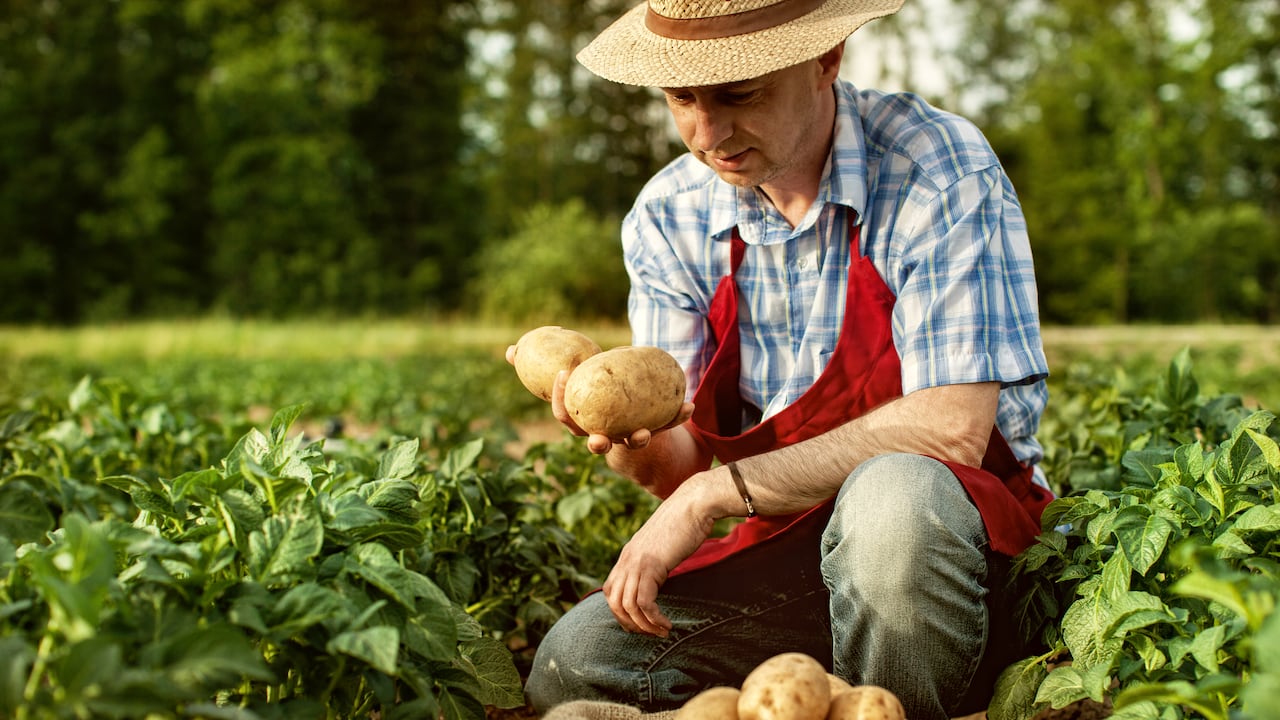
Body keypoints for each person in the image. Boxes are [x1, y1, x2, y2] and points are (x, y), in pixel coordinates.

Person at [515, 1, 1055, 718]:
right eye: (683, 100)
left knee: (892, 503)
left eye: (740, 94)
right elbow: (677, 464)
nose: (708, 135)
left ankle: (917, 697)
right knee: (576, 662)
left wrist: (713, 493)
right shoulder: (668, 216)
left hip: (952, 558)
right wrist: (623, 439)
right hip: (789, 557)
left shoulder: (937, 172)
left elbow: (950, 429)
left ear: (826, 59)